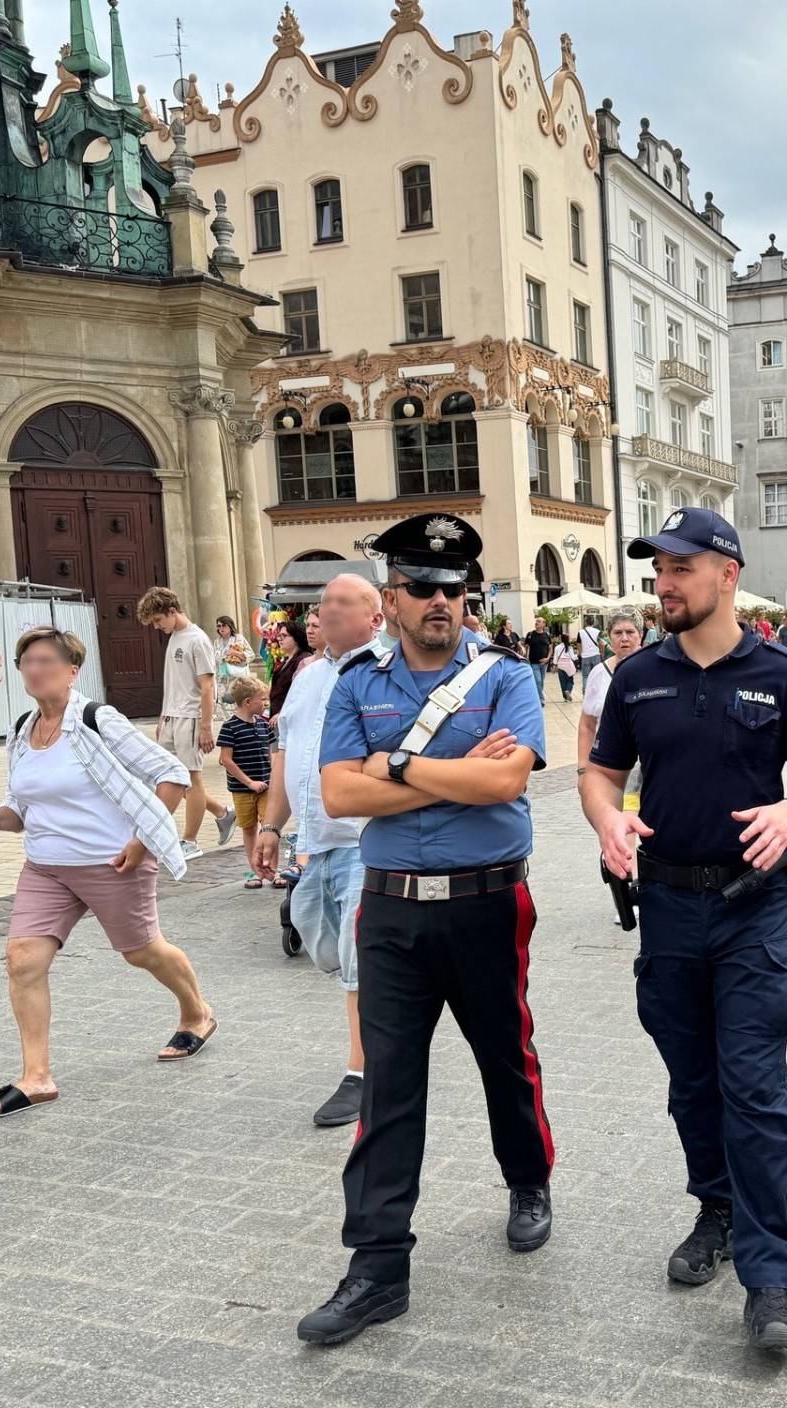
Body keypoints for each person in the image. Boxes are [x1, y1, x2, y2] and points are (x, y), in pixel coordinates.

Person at [581, 509, 787, 1352]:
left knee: (755, 1092)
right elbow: (601, 772)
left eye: (679, 568)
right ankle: (715, 1208)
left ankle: (770, 1281)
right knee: (692, 1083)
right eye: (657, 570)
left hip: (753, 910)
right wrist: (607, 822)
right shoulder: (636, 676)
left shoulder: (780, 671)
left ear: (726, 573)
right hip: (667, 912)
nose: (663, 583)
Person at [297, 512, 554, 1348]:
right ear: (391, 599)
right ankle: (377, 1267)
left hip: (487, 903)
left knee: (504, 1062)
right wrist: (459, 775)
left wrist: (397, 767)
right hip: (393, 907)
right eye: (421, 587)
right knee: (389, 1086)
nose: (440, 599)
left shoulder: (506, 677)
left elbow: (508, 780)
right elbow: (338, 795)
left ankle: (528, 1182)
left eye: (454, 587)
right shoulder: (355, 681)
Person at [0, 627, 213, 1119]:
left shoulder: (98, 720)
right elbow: (21, 802)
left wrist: (141, 841)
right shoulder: (22, 728)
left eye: (44, 661)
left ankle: (197, 1012)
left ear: (72, 670)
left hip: (111, 863)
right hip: (46, 868)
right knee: (22, 960)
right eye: (26, 662)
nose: (33, 670)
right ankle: (36, 1076)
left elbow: (173, 775)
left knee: (142, 952)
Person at [254, 573, 389, 1126]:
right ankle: (393, 1014)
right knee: (318, 939)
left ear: (374, 618)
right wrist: (270, 826)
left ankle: (362, 1072)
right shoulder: (309, 675)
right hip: (314, 841)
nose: (324, 610)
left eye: (340, 602)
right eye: (321, 602)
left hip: (365, 836)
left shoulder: (387, 671)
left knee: (358, 959)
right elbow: (288, 755)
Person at [137, 587, 235, 856]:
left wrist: (206, 726)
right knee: (170, 777)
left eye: (158, 621)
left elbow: (207, 686)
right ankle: (222, 812)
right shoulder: (175, 637)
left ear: (172, 611)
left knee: (191, 778)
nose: (157, 627)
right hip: (172, 716)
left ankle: (190, 841)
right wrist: (162, 716)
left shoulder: (197, 639)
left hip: (190, 717)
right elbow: (173, 684)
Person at [216, 676, 276, 887]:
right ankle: (254, 871)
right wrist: (249, 782)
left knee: (269, 827)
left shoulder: (264, 725)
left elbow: (271, 754)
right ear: (248, 702)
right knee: (249, 828)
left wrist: (276, 775)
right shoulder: (230, 727)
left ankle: (272, 869)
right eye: (262, 699)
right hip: (242, 789)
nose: (265, 703)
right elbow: (226, 760)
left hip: (267, 786)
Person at [576, 610, 643, 775]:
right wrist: (583, 768)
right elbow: (587, 724)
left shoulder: (656, 670)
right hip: (607, 767)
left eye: (630, 632)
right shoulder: (598, 673)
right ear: (609, 637)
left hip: (648, 770)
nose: (624, 638)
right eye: (618, 633)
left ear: (640, 635)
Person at [267, 619, 312, 721]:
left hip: (290, 716)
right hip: (278, 715)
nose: (280, 639)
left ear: (296, 637)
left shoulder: (303, 659)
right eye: (279, 636)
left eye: (284, 636)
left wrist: (282, 712)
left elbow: (300, 693)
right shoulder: (287, 659)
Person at [215, 615, 255, 685]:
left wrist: (235, 653)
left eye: (224, 625)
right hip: (222, 680)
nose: (221, 628)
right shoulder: (217, 642)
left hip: (237, 678)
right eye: (219, 626)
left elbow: (251, 655)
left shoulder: (239, 638)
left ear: (230, 626)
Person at [523, 615, 553, 701]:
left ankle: (537, 697)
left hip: (544, 663)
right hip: (534, 662)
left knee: (541, 681)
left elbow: (551, 648)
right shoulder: (530, 634)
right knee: (538, 681)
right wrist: (524, 659)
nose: (536, 623)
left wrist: (547, 658)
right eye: (536, 621)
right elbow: (526, 648)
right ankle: (541, 699)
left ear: (544, 624)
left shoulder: (547, 635)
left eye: (539, 621)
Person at [551, 632, 579, 701]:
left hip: (560, 665)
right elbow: (573, 657)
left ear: (561, 639)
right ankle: (568, 690)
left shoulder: (557, 647)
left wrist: (554, 665)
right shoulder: (569, 647)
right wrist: (578, 654)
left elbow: (555, 658)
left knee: (562, 682)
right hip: (568, 665)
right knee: (570, 680)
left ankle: (565, 697)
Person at [576, 615, 604, 687]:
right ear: (593, 623)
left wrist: (580, 653)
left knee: (585, 676)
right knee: (597, 675)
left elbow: (579, 645)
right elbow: (601, 644)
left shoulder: (580, 632)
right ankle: (597, 690)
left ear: (585, 622)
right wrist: (602, 653)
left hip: (585, 656)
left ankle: (585, 691)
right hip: (596, 655)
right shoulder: (598, 632)